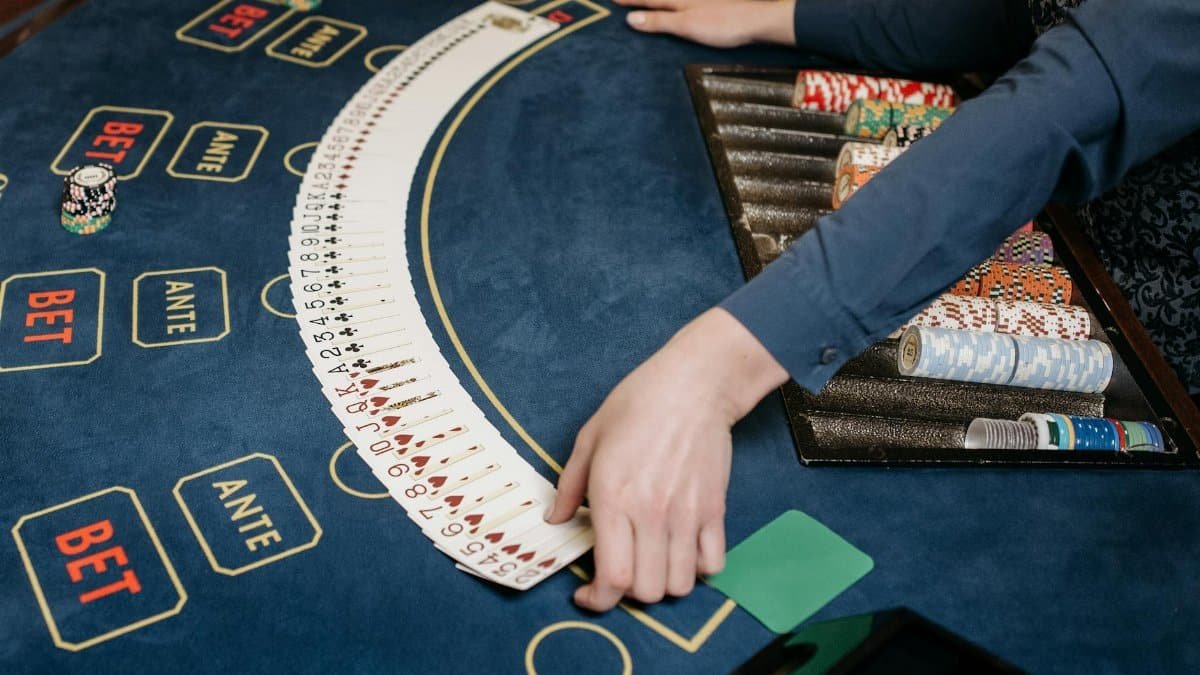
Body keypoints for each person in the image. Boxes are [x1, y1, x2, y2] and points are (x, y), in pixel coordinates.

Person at [545, 0, 1200, 612]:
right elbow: (1010, 13)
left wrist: (714, 369)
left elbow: (1058, 113)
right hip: (1068, 240)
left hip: (1160, 367)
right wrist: (787, 15)